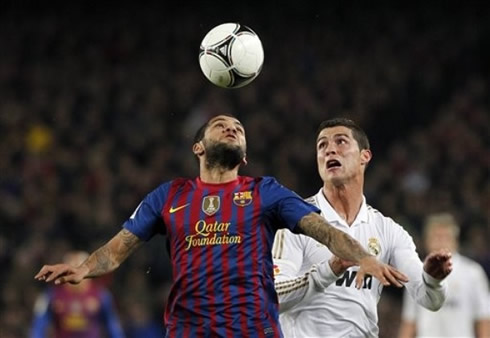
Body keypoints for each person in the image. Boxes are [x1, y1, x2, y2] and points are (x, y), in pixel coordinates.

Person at [35, 114, 408, 338]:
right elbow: (119, 248)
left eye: (238, 127)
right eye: (220, 125)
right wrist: (83, 269)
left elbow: (323, 230)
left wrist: (363, 257)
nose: (231, 128)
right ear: (198, 147)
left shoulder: (266, 192)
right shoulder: (169, 195)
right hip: (189, 331)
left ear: (244, 155)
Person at [272, 117, 453, 338]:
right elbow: (273, 297)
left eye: (341, 142)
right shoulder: (296, 222)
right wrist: (330, 270)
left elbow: (429, 299)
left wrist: (433, 280)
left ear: (364, 156)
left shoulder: (387, 230)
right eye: (322, 145)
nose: (330, 150)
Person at [399, 213, 490, 338]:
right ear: (427, 241)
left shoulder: (472, 272)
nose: (440, 241)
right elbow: (410, 320)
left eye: (445, 237)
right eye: (436, 237)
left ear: (455, 240)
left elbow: (483, 318)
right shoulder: (416, 273)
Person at [30, 251, 125, 338]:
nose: (74, 274)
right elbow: (38, 326)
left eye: (78, 268)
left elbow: (113, 326)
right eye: (70, 270)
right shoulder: (50, 295)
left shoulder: (102, 295)